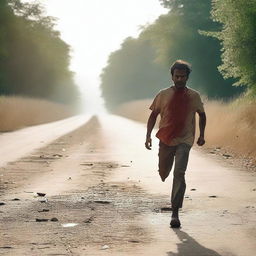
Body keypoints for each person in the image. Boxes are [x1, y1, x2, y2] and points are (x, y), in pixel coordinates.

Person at [145, 60, 206, 228]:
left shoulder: (194, 96)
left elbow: (202, 114)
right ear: (172, 77)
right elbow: (153, 115)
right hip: (166, 138)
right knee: (164, 171)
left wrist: (202, 135)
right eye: (177, 76)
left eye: (183, 77)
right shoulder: (163, 94)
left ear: (187, 77)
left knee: (179, 172)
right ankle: (163, 171)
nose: (180, 79)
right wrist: (148, 135)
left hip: (185, 140)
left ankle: (175, 213)